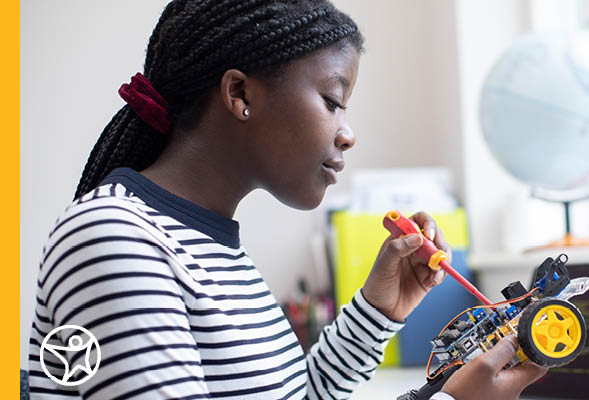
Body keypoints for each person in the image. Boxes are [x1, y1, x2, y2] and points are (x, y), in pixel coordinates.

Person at [27, 1, 546, 399]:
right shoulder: (115, 240)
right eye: (333, 102)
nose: (347, 135)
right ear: (240, 95)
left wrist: (379, 310)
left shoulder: (212, 249)